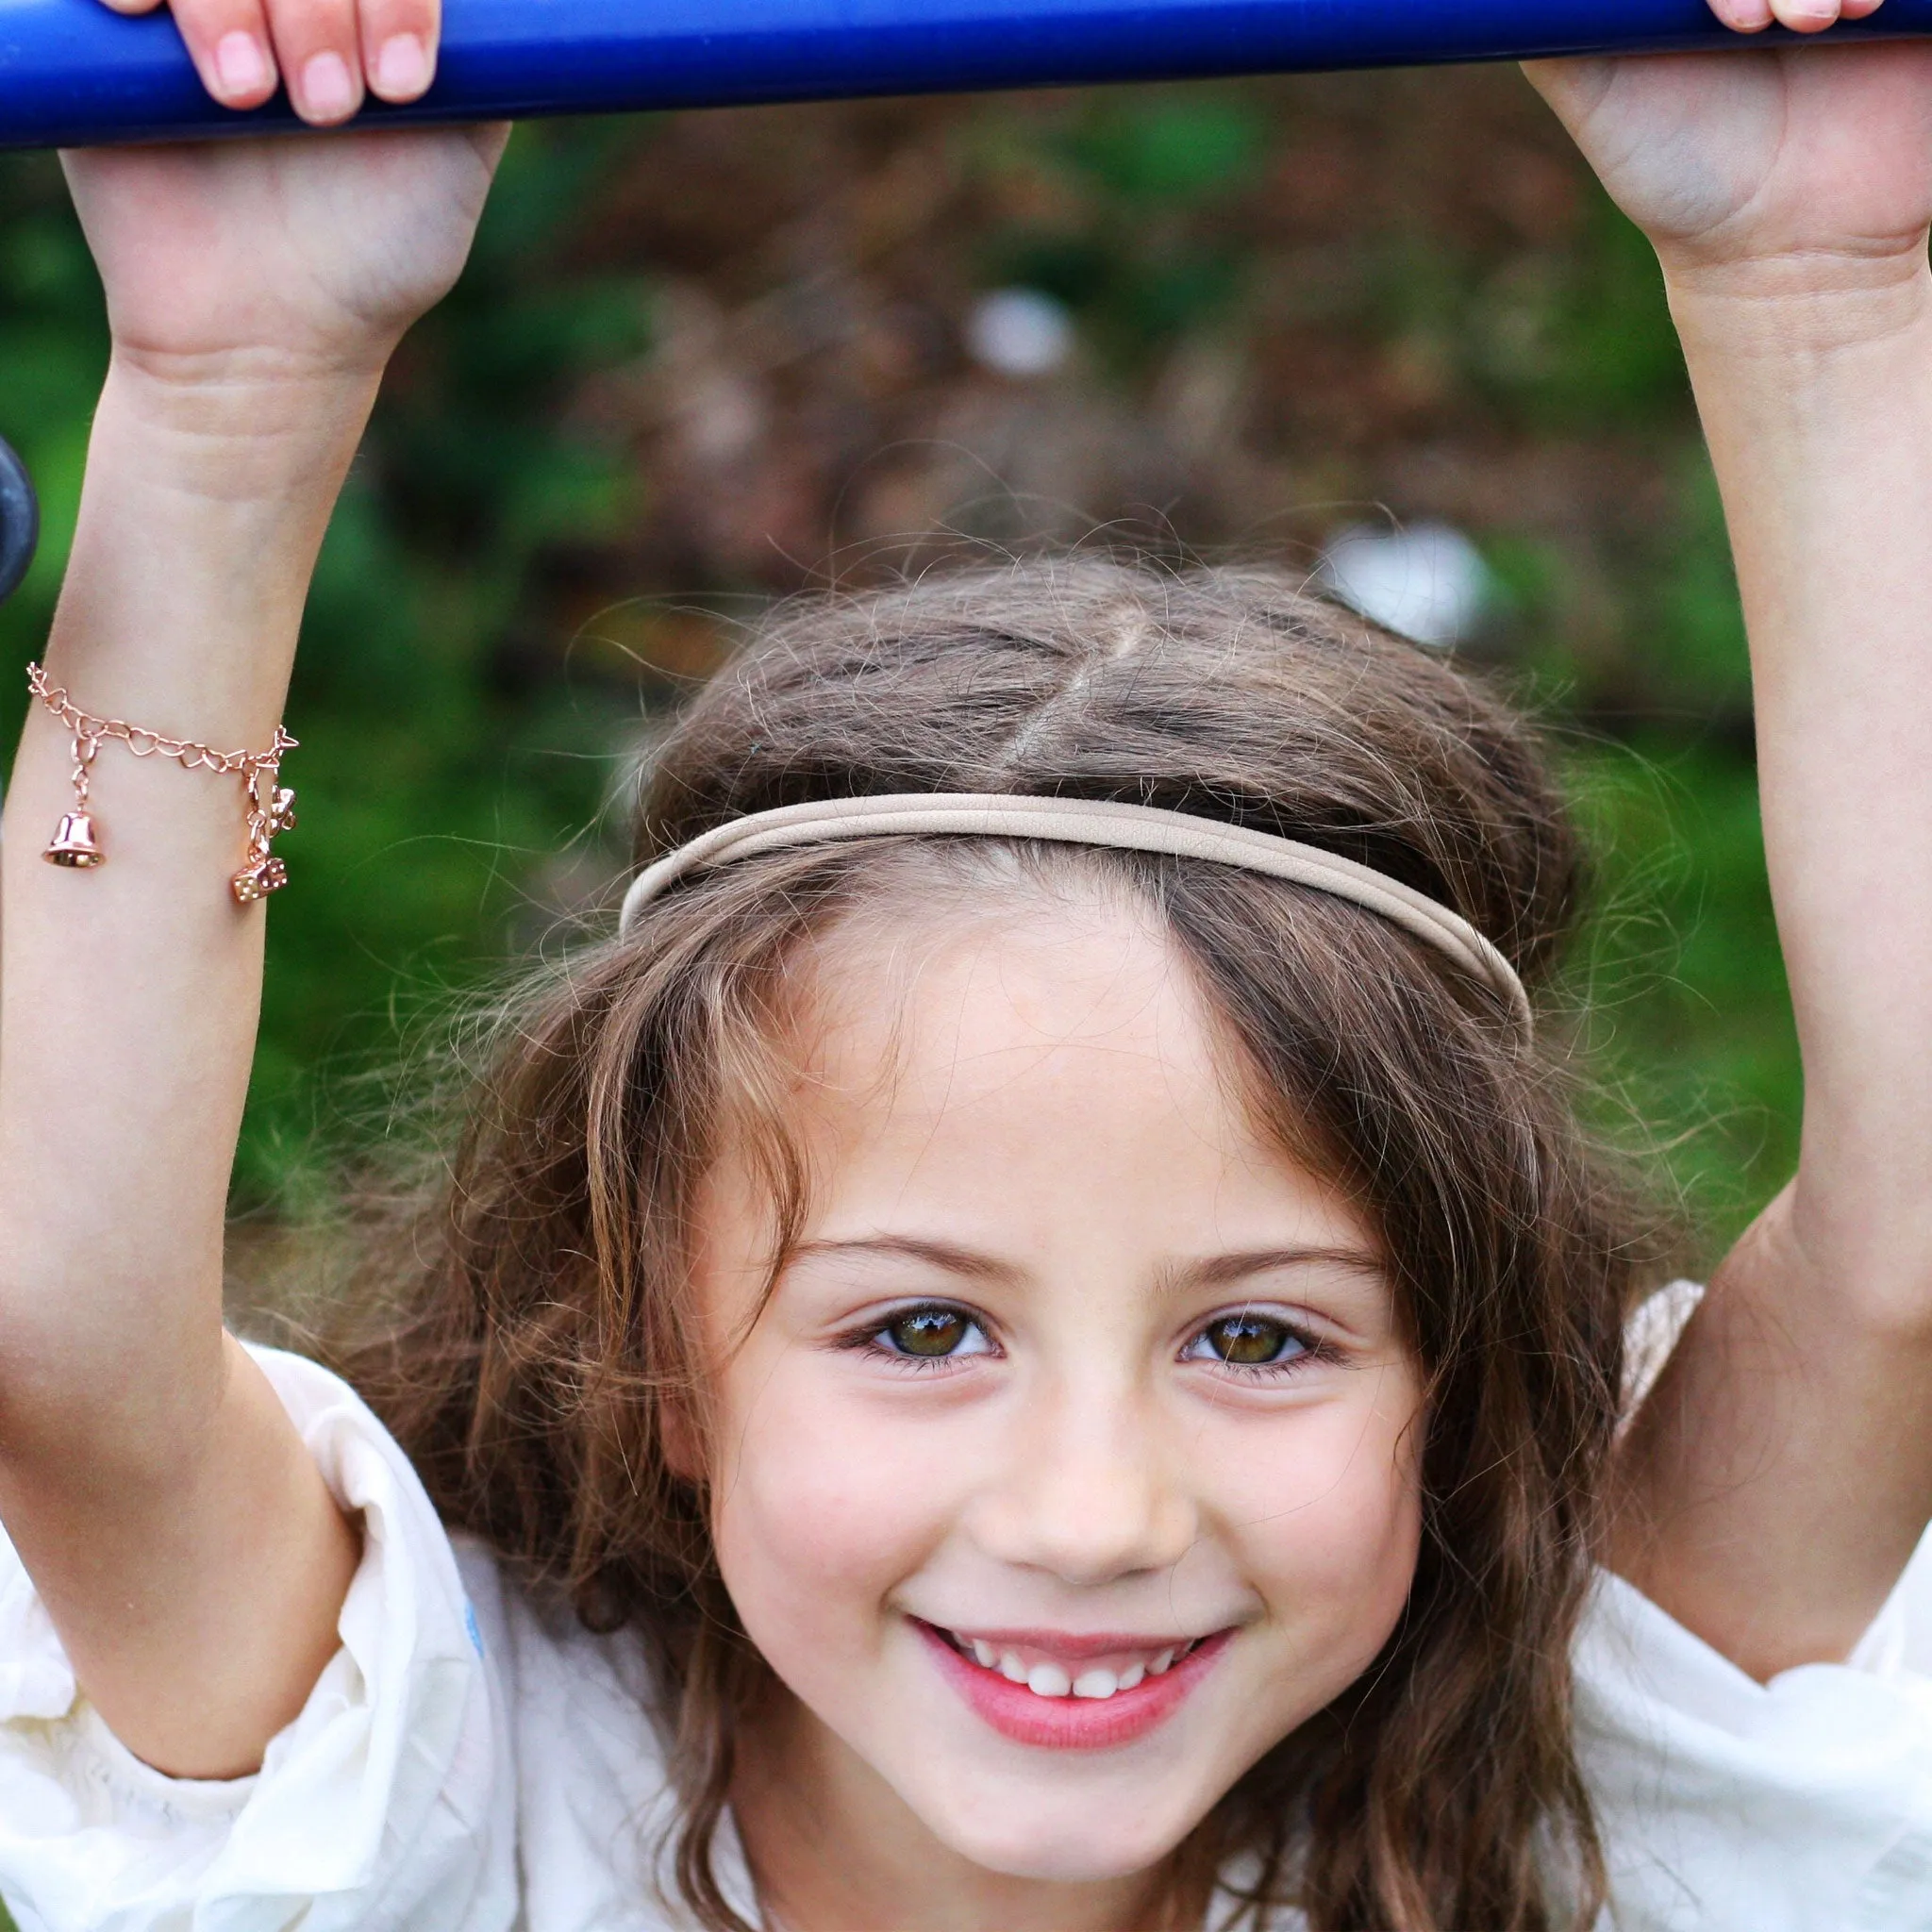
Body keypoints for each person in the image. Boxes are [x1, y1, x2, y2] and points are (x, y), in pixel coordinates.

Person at [0, 0, 1927, 1924]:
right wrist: (229, 402)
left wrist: (1821, 285)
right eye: (920, 1329)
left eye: (1259, 1337)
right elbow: (67, 1339)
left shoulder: (1572, 1795)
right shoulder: (459, 1798)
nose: (1090, 1516)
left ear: (1458, 1382)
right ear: (663, 1350)